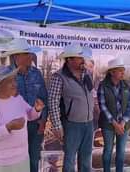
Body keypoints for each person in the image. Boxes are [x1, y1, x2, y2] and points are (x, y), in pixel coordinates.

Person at [0, 65, 44, 172]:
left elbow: (29, 115)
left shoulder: (17, 98)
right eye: (10, 81)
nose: (15, 84)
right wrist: (8, 127)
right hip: (1, 164)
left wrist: (37, 109)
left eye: (14, 80)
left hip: (22, 158)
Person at [2, 38, 48, 172]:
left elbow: (43, 98)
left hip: (36, 125)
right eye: (27, 54)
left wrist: (43, 120)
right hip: (16, 125)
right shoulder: (5, 75)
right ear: (16, 56)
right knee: (16, 160)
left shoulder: (36, 73)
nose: (30, 56)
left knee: (34, 159)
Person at [48, 43, 94, 172]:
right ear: (69, 59)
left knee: (86, 159)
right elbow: (52, 102)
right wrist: (57, 126)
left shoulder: (87, 74)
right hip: (71, 125)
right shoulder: (59, 77)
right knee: (69, 160)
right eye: (79, 57)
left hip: (88, 123)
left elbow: (90, 94)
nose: (82, 60)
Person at [97, 57, 130, 172]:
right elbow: (103, 107)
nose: (123, 72)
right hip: (108, 125)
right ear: (112, 72)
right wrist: (115, 124)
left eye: (123, 70)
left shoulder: (127, 86)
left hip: (124, 125)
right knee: (108, 150)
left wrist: (122, 123)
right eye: (120, 70)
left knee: (121, 152)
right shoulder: (103, 86)